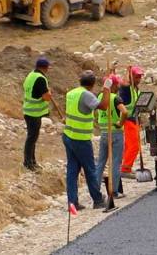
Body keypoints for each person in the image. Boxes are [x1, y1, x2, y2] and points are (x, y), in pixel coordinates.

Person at [63, 71, 111, 210]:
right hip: (81, 139)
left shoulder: (71, 93)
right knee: (90, 169)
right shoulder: (86, 95)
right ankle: (98, 200)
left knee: (72, 170)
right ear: (92, 84)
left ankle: (72, 202)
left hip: (68, 135)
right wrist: (106, 89)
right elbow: (103, 106)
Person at [22, 57, 62, 171]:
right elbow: (46, 97)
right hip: (34, 112)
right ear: (45, 67)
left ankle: (32, 161)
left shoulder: (31, 75)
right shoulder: (41, 78)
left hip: (28, 110)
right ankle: (28, 163)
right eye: (48, 67)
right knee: (32, 138)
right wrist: (49, 92)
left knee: (32, 137)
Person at [96, 74, 128, 198]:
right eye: (117, 84)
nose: (119, 86)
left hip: (104, 133)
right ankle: (114, 191)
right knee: (115, 162)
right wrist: (120, 123)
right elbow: (124, 111)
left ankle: (95, 190)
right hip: (116, 133)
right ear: (113, 85)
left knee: (101, 163)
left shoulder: (99, 96)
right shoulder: (115, 98)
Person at [119, 66, 144, 179]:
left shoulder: (136, 89)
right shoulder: (126, 89)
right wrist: (127, 72)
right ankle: (125, 169)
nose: (139, 79)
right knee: (134, 146)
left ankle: (125, 166)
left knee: (129, 145)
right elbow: (123, 83)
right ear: (131, 77)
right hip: (128, 120)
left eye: (140, 77)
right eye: (136, 76)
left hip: (135, 120)